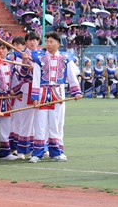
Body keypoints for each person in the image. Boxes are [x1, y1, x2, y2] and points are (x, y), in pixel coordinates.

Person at [29, 32, 82, 162]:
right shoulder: (38, 58)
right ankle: (37, 153)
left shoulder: (65, 58)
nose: (48, 44)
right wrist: (34, 97)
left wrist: (76, 92)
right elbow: (36, 78)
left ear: (58, 43)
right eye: (46, 41)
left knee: (56, 123)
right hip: (42, 92)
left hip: (58, 92)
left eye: (51, 41)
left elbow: (71, 75)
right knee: (40, 123)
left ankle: (56, 152)